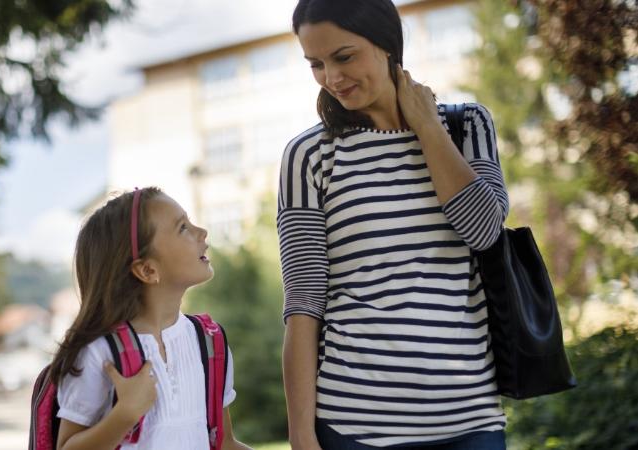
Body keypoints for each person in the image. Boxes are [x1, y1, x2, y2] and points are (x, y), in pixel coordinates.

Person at [278, 0, 510, 449]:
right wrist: (301, 436)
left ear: (387, 45)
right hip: (354, 426)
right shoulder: (308, 155)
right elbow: (304, 301)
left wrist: (427, 127)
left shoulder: (467, 126)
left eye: (344, 57)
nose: (332, 78)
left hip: (471, 420)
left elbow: (484, 233)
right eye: (316, 64)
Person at [50, 187, 252, 450]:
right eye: (182, 228)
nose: (202, 232)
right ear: (147, 269)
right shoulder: (100, 353)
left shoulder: (210, 342)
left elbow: (224, 443)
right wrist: (125, 414)